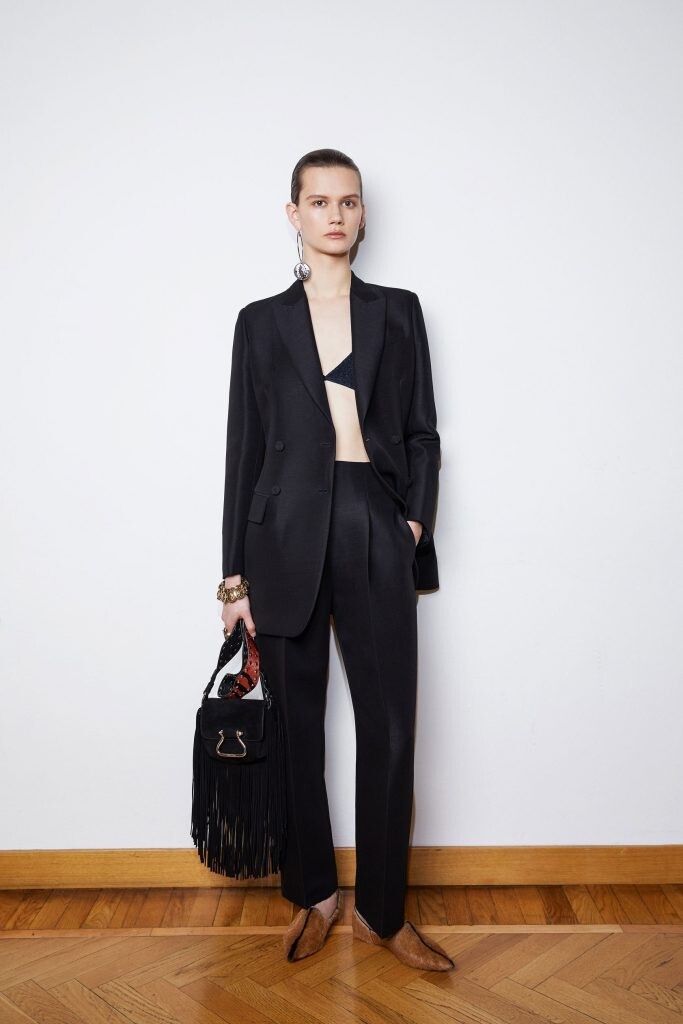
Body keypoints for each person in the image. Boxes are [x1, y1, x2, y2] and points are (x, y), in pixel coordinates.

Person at [218, 149, 454, 971]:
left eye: (348, 202)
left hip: (372, 524)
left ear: (362, 214)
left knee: (389, 728)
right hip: (281, 539)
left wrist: (411, 523)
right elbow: (242, 452)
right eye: (318, 202)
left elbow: (422, 432)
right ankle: (313, 894)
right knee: (294, 728)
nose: (335, 215)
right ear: (293, 214)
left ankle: (382, 915)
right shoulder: (260, 322)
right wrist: (232, 579)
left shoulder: (398, 311)